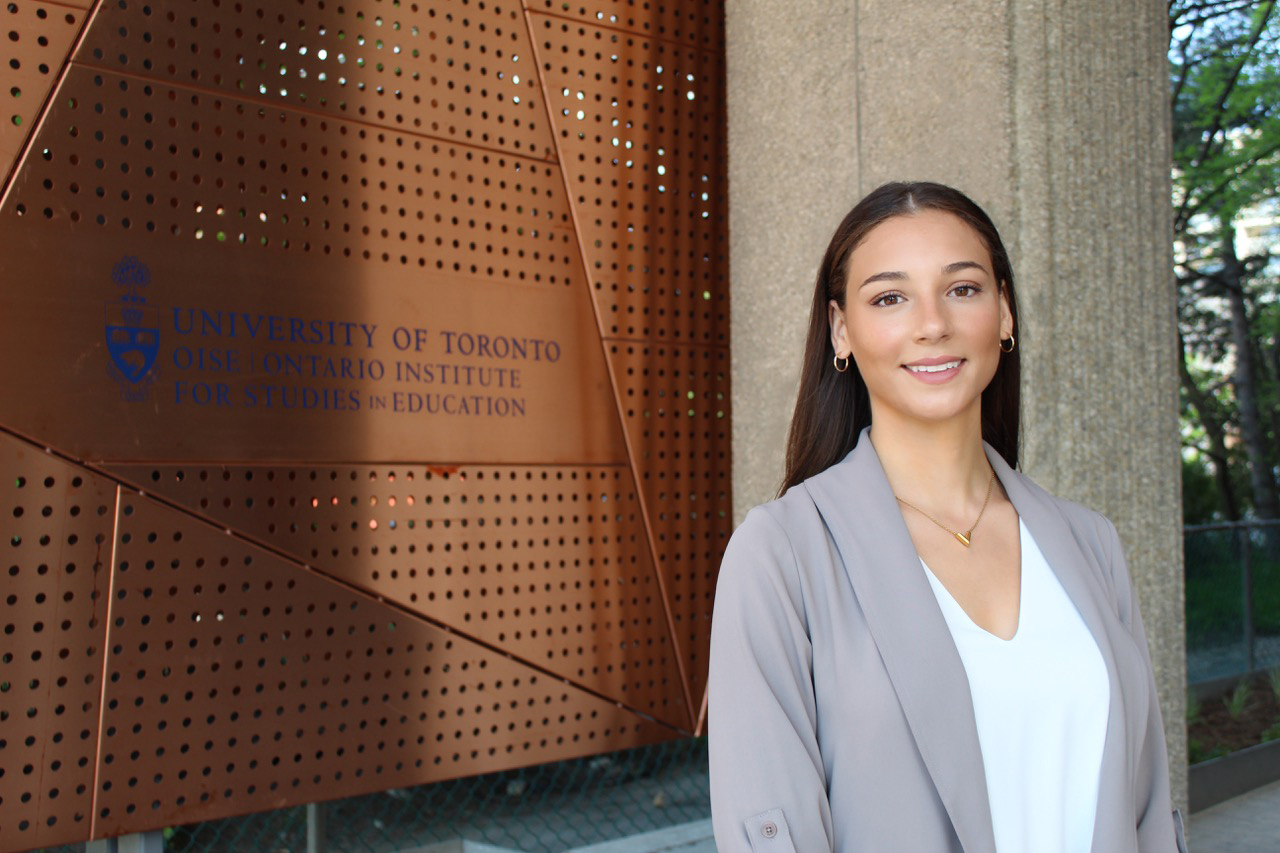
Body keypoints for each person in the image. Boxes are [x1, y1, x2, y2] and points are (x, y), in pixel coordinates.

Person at [707, 182, 1186, 852]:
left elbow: (1148, 805)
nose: (933, 323)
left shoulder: (1090, 543)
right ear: (841, 329)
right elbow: (769, 825)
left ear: (1006, 313)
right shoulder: (782, 553)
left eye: (963, 289)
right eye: (890, 297)